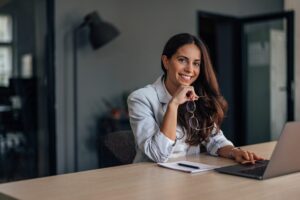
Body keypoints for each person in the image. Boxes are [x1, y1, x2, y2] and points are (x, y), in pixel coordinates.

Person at [127, 33, 263, 164]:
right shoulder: (140, 99)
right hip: (152, 179)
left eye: (196, 63)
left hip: (190, 177)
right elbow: (157, 154)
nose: (190, 69)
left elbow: (215, 141)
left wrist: (234, 152)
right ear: (166, 61)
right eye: (182, 60)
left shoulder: (197, 96)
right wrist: (173, 104)